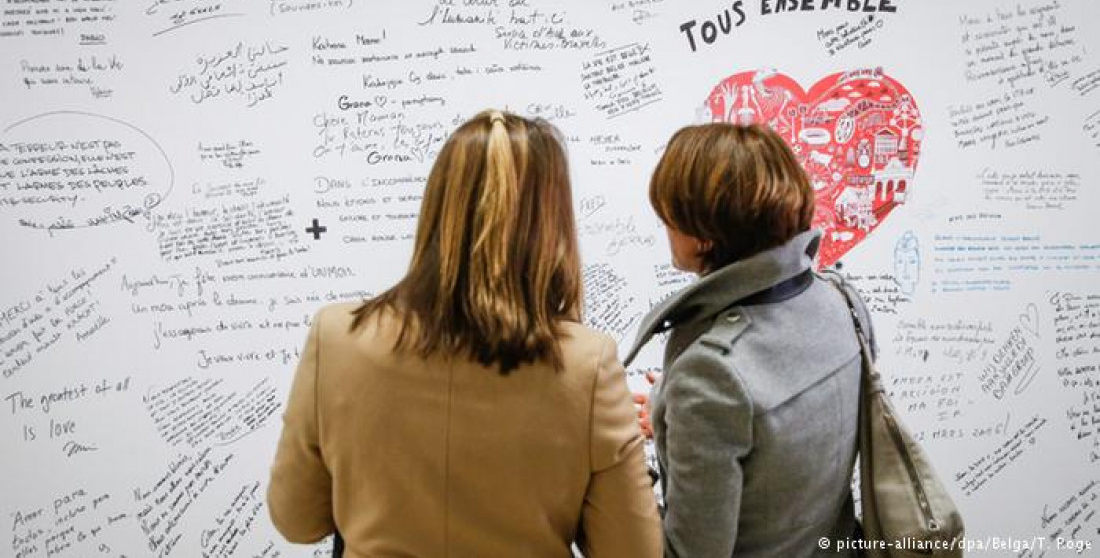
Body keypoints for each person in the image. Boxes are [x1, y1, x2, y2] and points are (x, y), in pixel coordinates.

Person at [268, 110, 662, 557]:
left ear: (437, 207)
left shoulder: (336, 337)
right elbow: (632, 553)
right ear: (551, 225)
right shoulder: (587, 364)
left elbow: (296, 519)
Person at [627, 122, 865, 557]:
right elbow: (778, 436)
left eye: (667, 217)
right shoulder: (840, 302)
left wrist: (619, 479)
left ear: (703, 234)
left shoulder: (710, 375)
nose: (663, 227)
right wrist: (672, 409)